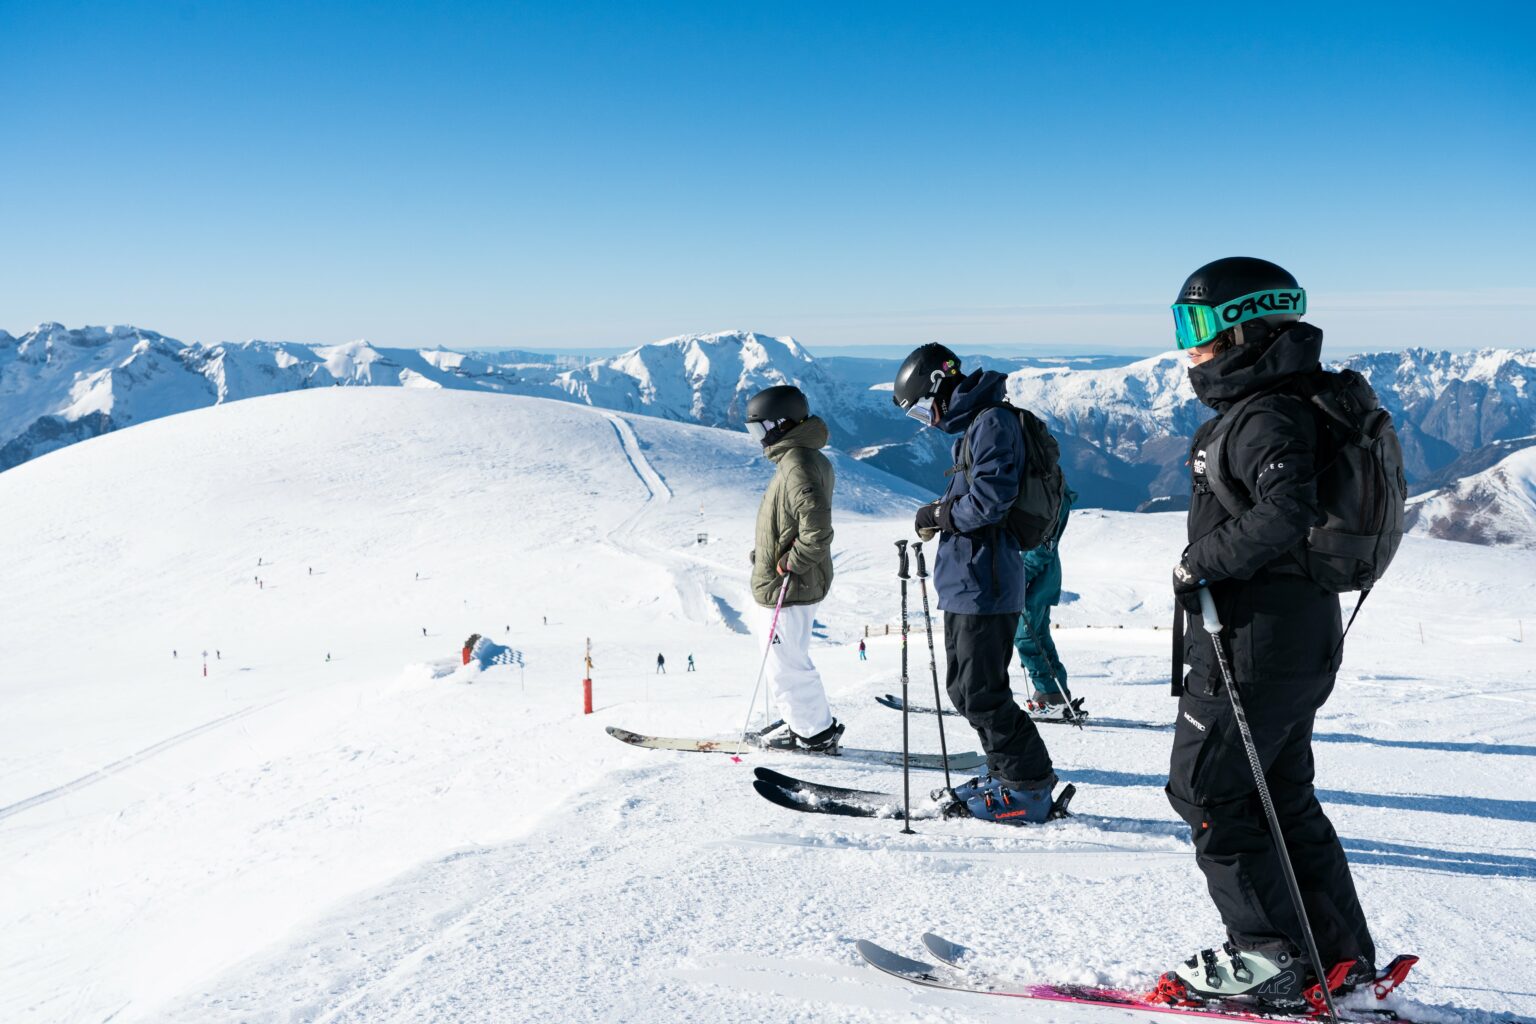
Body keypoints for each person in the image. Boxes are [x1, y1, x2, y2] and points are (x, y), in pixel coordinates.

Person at [1157, 257, 1375, 1007]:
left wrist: (1197, 563)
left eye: (1197, 328)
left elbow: (1286, 510)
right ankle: (1339, 958)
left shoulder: (1267, 413)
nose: (1187, 347)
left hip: (1255, 638)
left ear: (1243, 328)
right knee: (1282, 796)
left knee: (1206, 790)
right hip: (1298, 632)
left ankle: (1270, 958)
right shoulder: (1293, 400)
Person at [892, 344, 1060, 824]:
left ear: (941, 386)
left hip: (984, 583)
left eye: (925, 406)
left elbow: (989, 502)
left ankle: (1026, 787)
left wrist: (938, 514)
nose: (928, 420)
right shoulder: (982, 424)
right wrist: (942, 514)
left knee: (981, 692)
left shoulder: (992, 423)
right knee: (967, 690)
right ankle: (1008, 772)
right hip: (971, 581)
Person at [746, 384, 842, 752]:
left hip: (791, 583)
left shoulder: (797, 464)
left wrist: (790, 562)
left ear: (780, 424)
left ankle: (813, 732)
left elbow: (816, 530)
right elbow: (790, 521)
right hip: (787, 579)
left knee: (786, 664)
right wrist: (768, 553)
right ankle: (799, 722)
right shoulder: (798, 458)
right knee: (782, 658)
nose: (759, 439)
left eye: (760, 429)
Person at [1014, 491, 1077, 715]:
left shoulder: (1047, 495)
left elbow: (1043, 545)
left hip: (1035, 580)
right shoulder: (1052, 490)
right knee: (1038, 636)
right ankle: (1056, 693)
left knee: (1026, 637)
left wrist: (1020, 577)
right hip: (1042, 579)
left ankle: (1050, 695)